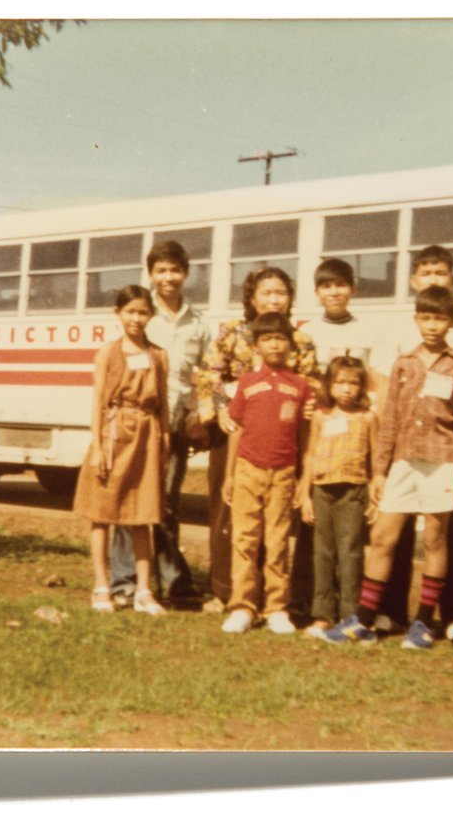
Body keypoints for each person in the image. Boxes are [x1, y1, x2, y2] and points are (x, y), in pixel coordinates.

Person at [327, 285, 453, 649]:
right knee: (383, 537)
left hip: (442, 462)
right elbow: (390, 419)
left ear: (451, 322)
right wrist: (380, 471)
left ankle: (423, 623)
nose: (432, 325)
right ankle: (363, 619)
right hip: (403, 463)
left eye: (439, 318)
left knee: (434, 541)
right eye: (425, 317)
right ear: (416, 320)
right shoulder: (403, 364)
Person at [369, 245, 453, 642]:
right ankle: (389, 612)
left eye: (441, 273)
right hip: (405, 447)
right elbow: (386, 390)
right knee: (393, 533)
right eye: (427, 273)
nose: (434, 280)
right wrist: (382, 459)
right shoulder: (398, 333)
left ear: (451, 280)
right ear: (413, 280)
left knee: (443, 536)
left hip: (442, 451)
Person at [196, 267, 318, 610]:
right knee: (229, 511)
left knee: (277, 520)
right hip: (234, 433)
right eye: (266, 292)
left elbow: (312, 384)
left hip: (280, 439)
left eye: (280, 292)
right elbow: (208, 375)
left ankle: (272, 596)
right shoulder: (232, 334)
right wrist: (219, 408)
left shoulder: (300, 340)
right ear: (251, 298)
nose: (274, 299)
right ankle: (225, 591)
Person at [109, 241, 210, 606]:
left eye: (175, 270)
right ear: (150, 275)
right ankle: (123, 582)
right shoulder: (141, 314)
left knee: (165, 503)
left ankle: (173, 583)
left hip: (176, 424)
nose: (169, 278)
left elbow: (206, 375)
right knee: (128, 500)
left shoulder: (199, 323)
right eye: (161, 271)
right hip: (137, 423)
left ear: (186, 273)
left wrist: (199, 418)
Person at [290, 257, 380, 621]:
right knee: (315, 538)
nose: (335, 292)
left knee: (349, 544)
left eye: (341, 285)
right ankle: (310, 604)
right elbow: (301, 380)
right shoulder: (306, 332)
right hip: (318, 431)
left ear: (353, 289)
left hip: (354, 440)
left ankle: (350, 611)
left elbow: (373, 380)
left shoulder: (368, 331)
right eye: (327, 286)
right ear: (316, 292)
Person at [72, 285, 170, 616]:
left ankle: (143, 590)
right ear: (118, 313)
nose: (136, 318)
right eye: (130, 311)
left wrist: (164, 442)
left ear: (151, 315)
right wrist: (99, 447)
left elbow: (164, 406)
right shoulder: (108, 354)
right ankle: (102, 585)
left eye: (143, 312)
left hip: (146, 438)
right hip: (114, 436)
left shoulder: (158, 355)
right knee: (102, 513)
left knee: (143, 515)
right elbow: (99, 402)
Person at [219, 312, 311, 635]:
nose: (274, 344)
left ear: (289, 343)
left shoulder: (300, 386)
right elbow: (236, 429)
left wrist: (303, 478)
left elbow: (304, 437)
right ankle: (243, 606)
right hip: (247, 468)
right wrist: (230, 475)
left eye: (280, 337)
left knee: (277, 541)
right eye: (267, 338)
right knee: (245, 539)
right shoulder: (246, 383)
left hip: (283, 472)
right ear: (256, 345)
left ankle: (276, 608)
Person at [296, 355, 378, 640]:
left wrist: (375, 494)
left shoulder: (367, 418)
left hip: (353, 490)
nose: (346, 389)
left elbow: (375, 460)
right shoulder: (321, 416)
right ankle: (322, 614)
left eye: (353, 383)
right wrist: (305, 494)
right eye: (340, 382)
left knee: (351, 552)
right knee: (322, 553)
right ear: (329, 385)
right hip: (322, 489)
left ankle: (350, 614)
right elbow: (310, 454)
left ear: (362, 387)